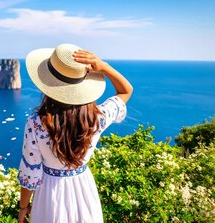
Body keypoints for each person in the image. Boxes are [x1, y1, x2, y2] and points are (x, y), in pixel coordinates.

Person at [17, 43, 133, 223]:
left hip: (49, 193)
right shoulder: (97, 119)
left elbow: (30, 173)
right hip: (83, 188)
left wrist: (24, 207)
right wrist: (103, 66)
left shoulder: (36, 122)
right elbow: (125, 91)